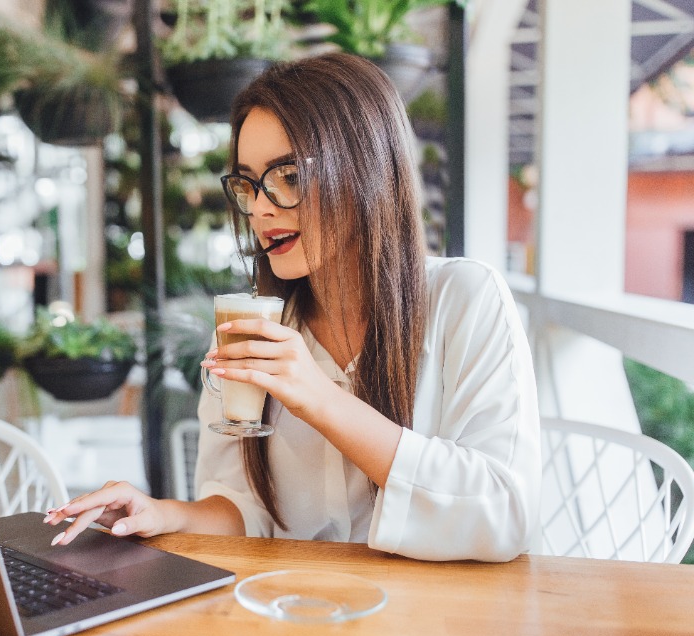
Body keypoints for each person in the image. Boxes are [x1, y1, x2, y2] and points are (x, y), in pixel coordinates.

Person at [44, 52, 541, 562]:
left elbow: (504, 513)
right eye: (249, 183)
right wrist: (163, 515)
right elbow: (247, 514)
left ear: (365, 170)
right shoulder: (250, 331)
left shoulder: (465, 300)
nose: (260, 208)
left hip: (432, 621)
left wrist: (319, 399)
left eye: (289, 177)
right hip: (292, 609)